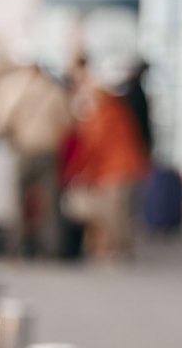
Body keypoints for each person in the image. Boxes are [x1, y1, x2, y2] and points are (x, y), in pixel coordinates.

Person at [60, 58, 151, 260]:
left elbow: (93, 145)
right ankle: (122, 249)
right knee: (123, 212)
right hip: (128, 166)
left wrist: (78, 169)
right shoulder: (119, 111)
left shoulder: (102, 115)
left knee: (114, 213)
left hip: (115, 169)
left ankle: (116, 251)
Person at [0, 60, 73, 256]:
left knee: (19, 198)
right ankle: (53, 248)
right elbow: (67, 123)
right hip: (49, 150)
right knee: (51, 201)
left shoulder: (15, 89)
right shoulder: (53, 90)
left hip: (24, 148)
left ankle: (18, 247)